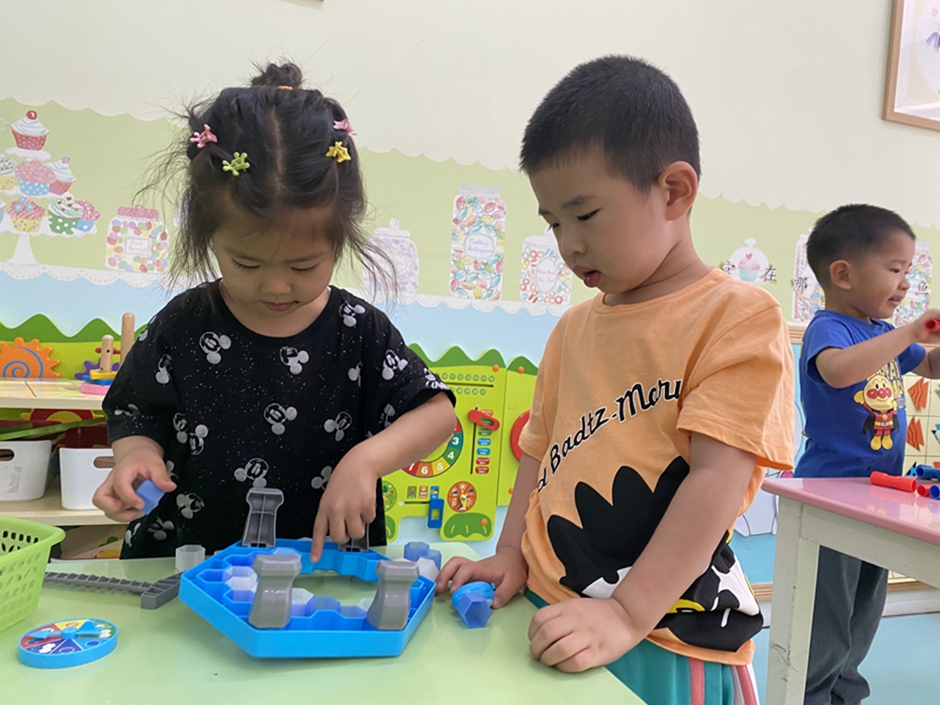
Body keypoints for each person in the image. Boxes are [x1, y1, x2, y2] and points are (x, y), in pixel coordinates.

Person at [436, 55, 795, 705]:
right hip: (551, 605)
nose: (568, 245)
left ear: (674, 191)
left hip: (661, 633)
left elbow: (716, 481)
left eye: (586, 214)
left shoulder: (737, 317)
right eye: (554, 223)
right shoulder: (573, 328)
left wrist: (627, 613)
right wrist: (510, 553)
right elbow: (537, 452)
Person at [93, 63, 456, 562]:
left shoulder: (358, 331)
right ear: (207, 236)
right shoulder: (184, 323)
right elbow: (136, 411)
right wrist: (137, 457)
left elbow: (437, 414)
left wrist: (366, 461)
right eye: (246, 263)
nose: (277, 285)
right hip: (188, 567)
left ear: (341, 239)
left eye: (304, 265)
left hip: (322, 569)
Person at [795, 204, 940, 705]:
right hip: (831, 491)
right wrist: (908, 333)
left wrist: (920, 340)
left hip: (877, 492)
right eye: (896, 269)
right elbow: (838, 371)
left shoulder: (882, 332)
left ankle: (844, 692)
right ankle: (811, 694)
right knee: (827, 612)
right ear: (844, 274)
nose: (905, 283)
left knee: (864, 606)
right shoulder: (829, 328)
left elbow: (931, 366)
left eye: (908, 270)